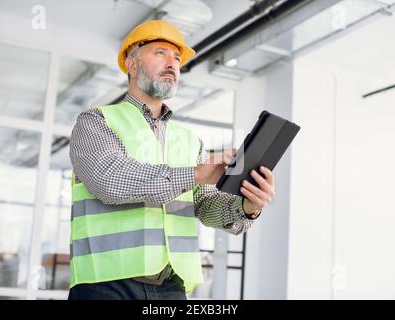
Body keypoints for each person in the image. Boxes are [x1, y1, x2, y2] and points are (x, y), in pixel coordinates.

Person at [67, 20, 276, 300]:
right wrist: (198, 173)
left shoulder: (189, 140)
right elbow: (111, 181)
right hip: (107, 284)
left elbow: (204, 205)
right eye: (160, 53)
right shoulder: (97, 121)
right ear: (131, 64)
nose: (172, 63)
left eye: (177, 58)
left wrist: (247, 206)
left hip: (171, 286)